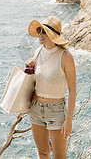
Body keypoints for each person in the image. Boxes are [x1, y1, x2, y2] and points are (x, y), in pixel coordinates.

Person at [26, 16, 76, 159]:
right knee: (42, 153)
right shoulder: (38, 52)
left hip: (56, 110)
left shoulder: (65, 56)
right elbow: (38, 79)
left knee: (59, 155)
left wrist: (69, 120)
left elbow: (72, 90)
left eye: (44, 31)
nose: (40, 34)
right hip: (36, 108)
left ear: (52, 35)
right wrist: (29, 67)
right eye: (39, 30)